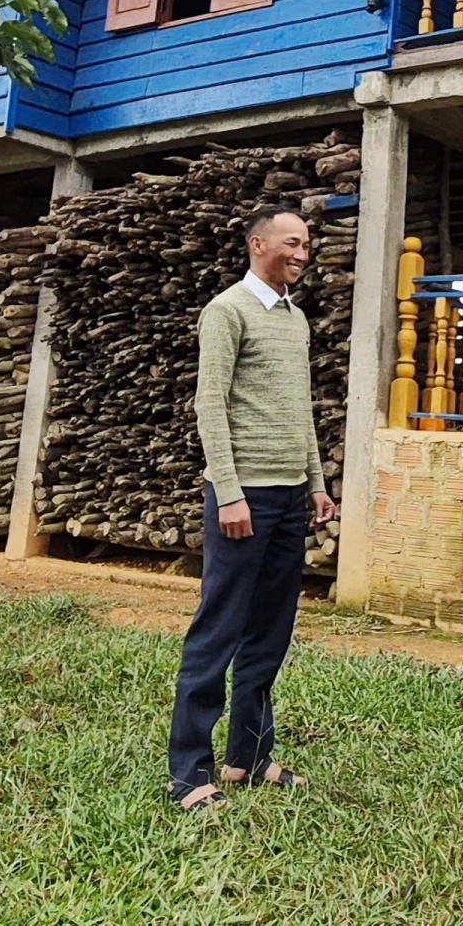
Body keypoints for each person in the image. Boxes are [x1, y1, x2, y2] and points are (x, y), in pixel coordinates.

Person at [167, 206, 338, 813]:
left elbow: (300, 412)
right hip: (245, 496)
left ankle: (250, 757)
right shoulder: (227, 311)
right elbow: (209, 406)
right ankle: (189, 772)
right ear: (258, 243)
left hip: (291, 495)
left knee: (270, 631)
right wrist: (230, 491)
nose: (302, 251)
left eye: (307, 244)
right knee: (220, 628)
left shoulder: (295, 320)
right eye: (293, 242)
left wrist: (316, 484)